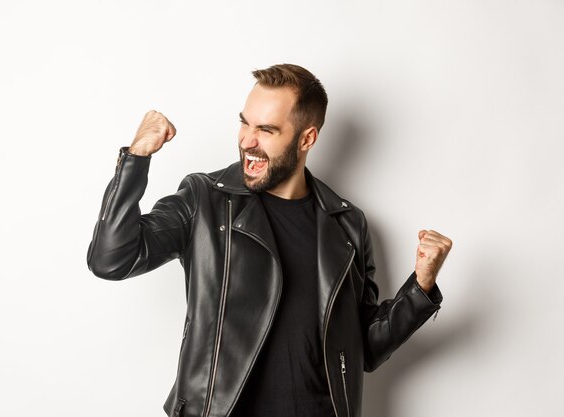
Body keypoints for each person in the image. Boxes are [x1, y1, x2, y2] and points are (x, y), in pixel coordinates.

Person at [87, 64, 452, 417]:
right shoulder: (206, 200)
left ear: (307, 138)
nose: (247, 140)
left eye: (267, 129)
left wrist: (420, 286)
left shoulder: (347, 225)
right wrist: (136, 158)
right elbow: (111, 259)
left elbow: (364, 350)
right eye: (244, 122)